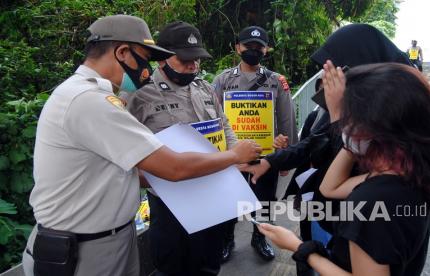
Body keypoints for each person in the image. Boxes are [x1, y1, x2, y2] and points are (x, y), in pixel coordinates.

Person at [21, 15, 261, 276]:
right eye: (144, 58)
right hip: (87, 247)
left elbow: (119, 170)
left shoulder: (87, 95)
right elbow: (174, 167)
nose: (145, 68)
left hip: (104, 239)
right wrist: (234, 156)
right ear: (122, 52)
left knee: (205, 264)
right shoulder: (90, 101)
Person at [258, 61, 430, 276]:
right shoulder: (416, 172)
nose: (343, 124)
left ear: (374, 126)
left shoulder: (372, 199)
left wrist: (300, 249)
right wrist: (355, 138)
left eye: (350, 116)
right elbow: (330, 188)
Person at [244, 24, 413, 239]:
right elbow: (314, 141)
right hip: (318, 210)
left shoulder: (391, 122)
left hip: (349, 225)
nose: (325, 77)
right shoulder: (340, 108)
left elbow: (341, 173)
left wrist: (338, 118)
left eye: (334, 70)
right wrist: (270, 162)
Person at [121, 21, 237, 276]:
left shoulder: (205, 88)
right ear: (162, 58)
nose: (193, 66)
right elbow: (124, 146)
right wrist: (143, 176)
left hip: (211, 191)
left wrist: (235, 154)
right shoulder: (139, 95)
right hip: (169, 200)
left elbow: (224, 126)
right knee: (173, 265)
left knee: (208, 262)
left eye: (197, 60)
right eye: (186, 60)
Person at [212, 25, 298, 262]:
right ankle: (227, 238)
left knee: (266, 200)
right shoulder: (222, 80)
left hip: (265, 154)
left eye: (258, 46)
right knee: (230, 198)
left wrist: (287, 154)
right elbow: (213, 117)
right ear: (238, 47)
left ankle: (260, 237)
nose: (253, 50)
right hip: (233, 156)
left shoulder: (276, 81)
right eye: (248, 46)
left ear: (266, 49)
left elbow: (286, 119)